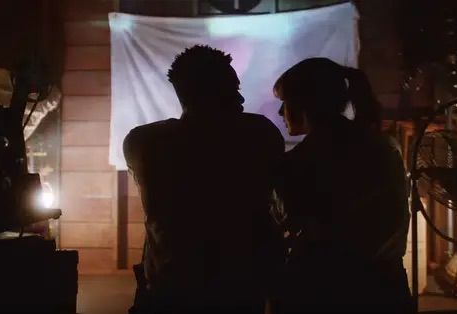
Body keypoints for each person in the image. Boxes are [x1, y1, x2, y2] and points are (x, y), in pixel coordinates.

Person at [123, 45, 285, 314]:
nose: (240, 99)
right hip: (239, 288)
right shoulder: (258, 135)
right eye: (233, 90)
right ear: (212, 93)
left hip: (170, 286)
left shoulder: (143, 142)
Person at [272, 58, 412, 313]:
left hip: (324, 290)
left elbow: (294, 226)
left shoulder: (301, 160)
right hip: (386, 288)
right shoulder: (382, 146)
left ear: (304, 104)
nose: (281, 113)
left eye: (284, 103)